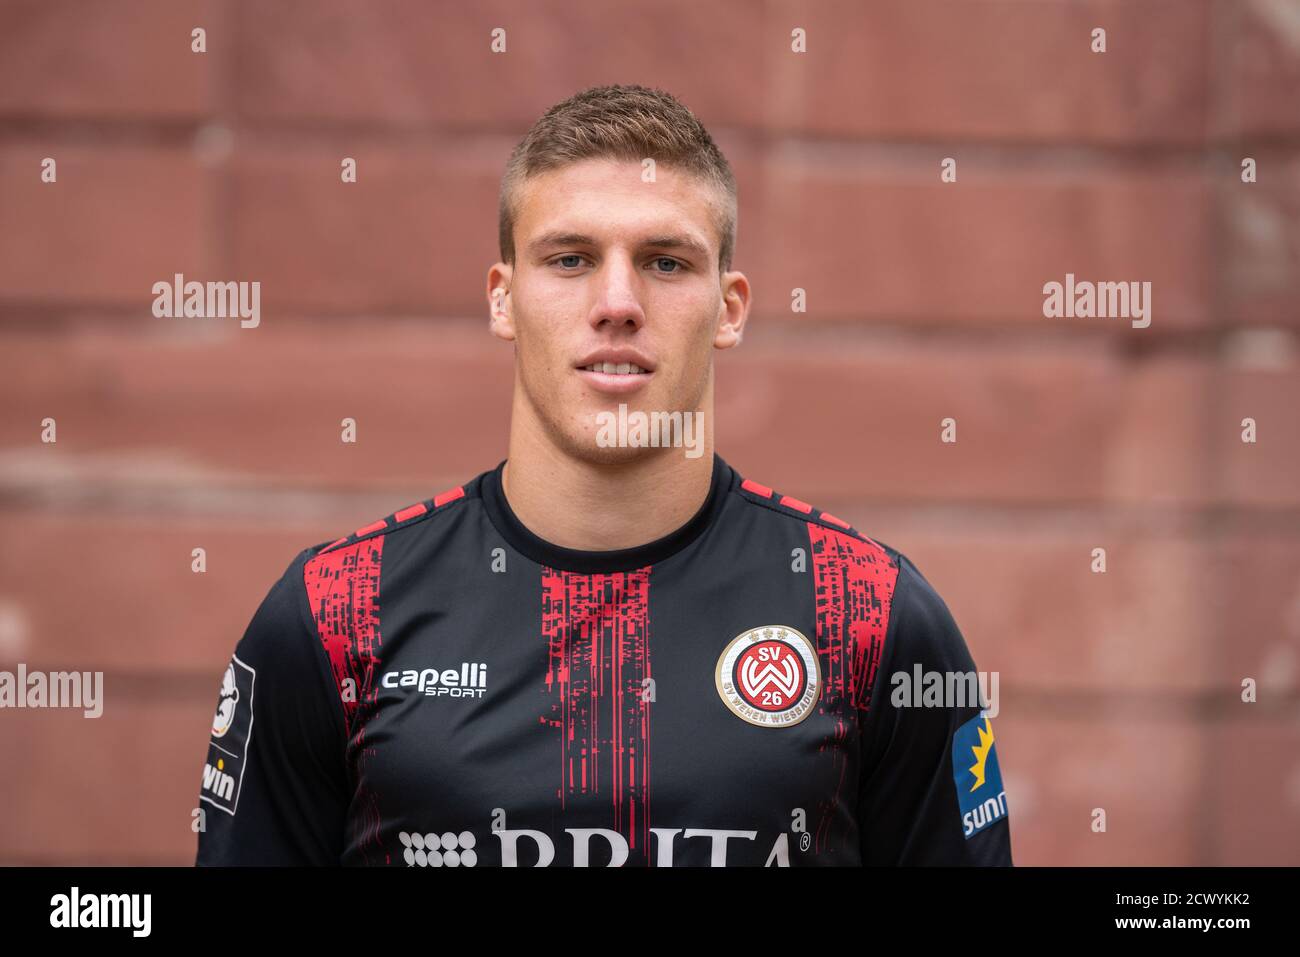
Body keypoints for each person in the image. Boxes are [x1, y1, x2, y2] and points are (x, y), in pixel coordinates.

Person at [195, 84, 1011, 867]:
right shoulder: (335, 611)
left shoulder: (870, 611)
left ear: (729, 309)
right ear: (503, 298)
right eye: (571, 258)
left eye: (664, 262)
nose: (617, 301)